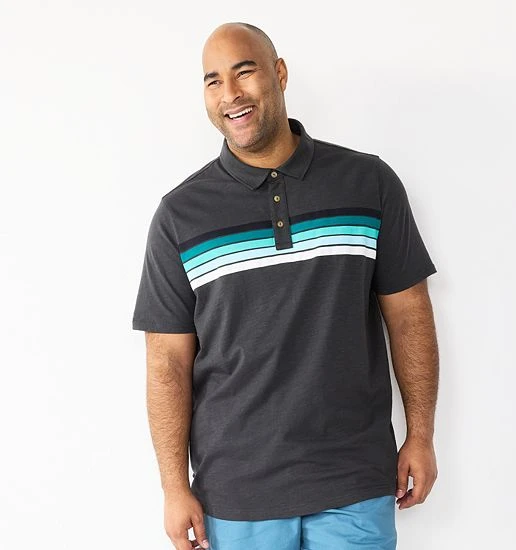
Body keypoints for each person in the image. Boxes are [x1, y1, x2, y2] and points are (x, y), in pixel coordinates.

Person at [132, 21, 439, 550]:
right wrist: (173, 487)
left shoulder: (368, 183)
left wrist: (422, 434)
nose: (230, 93)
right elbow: (167, 362)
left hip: (354, 479)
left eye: (244, 72)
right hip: (237, 494)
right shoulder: (181, 215)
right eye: (213, 80)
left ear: (279, 73)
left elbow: (409, 315)